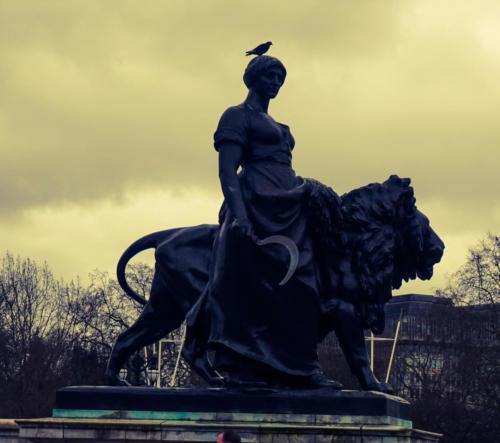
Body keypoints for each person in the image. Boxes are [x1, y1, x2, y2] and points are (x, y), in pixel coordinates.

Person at [182, 55, 342, 389]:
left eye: (280, 77)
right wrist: (239, 216)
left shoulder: (281, 126)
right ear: (252, 77)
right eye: (270, 75)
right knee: (250, 289)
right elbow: (227, 170)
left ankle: (299, 367)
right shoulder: (236, 116)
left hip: (288, 210)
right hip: (256, 208)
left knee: (303, 286)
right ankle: (245, 364)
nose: (276, 82)